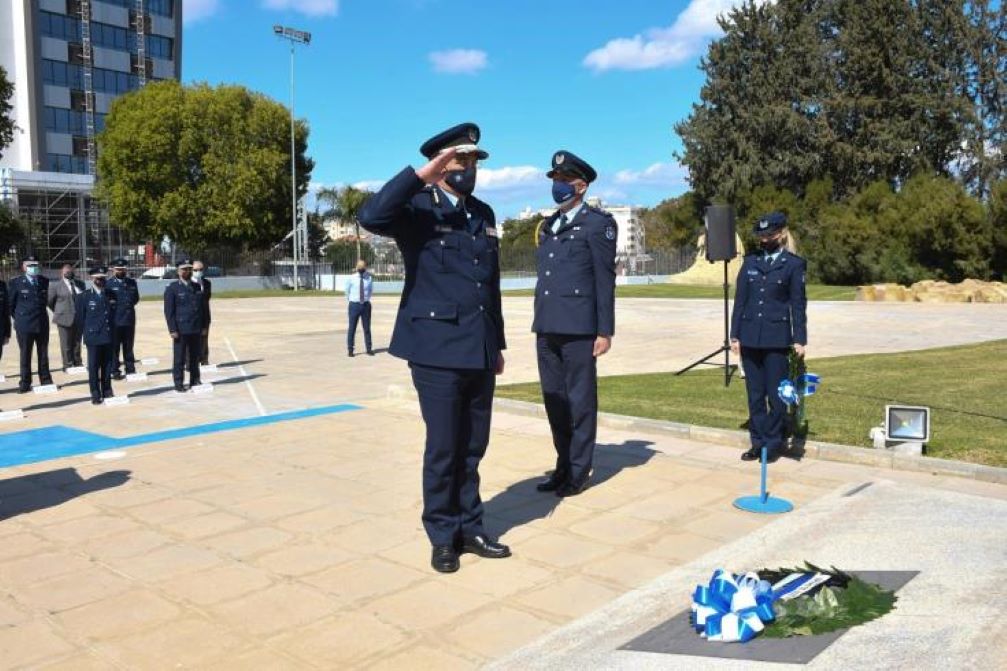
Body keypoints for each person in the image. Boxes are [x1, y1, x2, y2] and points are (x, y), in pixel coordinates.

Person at [358, 122, 509, 573]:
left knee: (473, 446)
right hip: (436, 348)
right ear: (440, 162)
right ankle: (443, 535)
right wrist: (421, 176)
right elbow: (371, 215)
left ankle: (472, 527)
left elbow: (490, 285)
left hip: (478, 347)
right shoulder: (416, 209)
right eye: (459, 159)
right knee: (444, 447)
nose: (468, 168)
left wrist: (496, 343)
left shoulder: (483, 213)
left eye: (473, 161)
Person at [532, 151, 617, 497]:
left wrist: (604, 330)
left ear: (580, 185)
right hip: (547, 325)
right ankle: (563, 465)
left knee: (580, 402)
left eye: (564, 180)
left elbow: (604, 279)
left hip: (580, 328)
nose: (558, 185)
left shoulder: (598, 224)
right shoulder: (549, 224)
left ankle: (579, 471)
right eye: (554, 180)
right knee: (555, 400)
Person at [730, 211, 807, 461]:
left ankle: (773, 443)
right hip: (750, 337)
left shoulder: (793, 264)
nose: (764, 240)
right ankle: (758, 441)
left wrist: (800, 340)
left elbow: (798, 305)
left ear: (781, 234)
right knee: (755, 395)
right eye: (761, 236)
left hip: (777, 338)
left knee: (776, 396)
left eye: (769, 235)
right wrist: (735, 335)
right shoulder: (750, 262)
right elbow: (740, 301)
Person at [8, 256, 53, 392]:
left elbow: (44, 301)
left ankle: (45, 379)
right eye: (30, 265)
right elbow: (11, 305)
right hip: (25, 324)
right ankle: (25, 382)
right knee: (25, 354)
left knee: (43, 353)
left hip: (42, 323)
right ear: (24, 267)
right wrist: (20, 319)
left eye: (35, 264)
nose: (33, 267)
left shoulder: (44, 281)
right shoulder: (16, 283)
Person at [163, 259, 207, 392]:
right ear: (178, 271)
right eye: (184, 269)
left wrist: (203, 326)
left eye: (189, 269)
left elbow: (201, 309)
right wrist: (172, 329)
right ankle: (178, 382)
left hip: (195, 327)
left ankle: (195, 379)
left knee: (195, 357)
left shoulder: (196, 286)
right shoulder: (172, 288)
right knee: (179, 358)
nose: (187, 271)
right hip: (180, 329)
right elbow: (169, 311)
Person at [76, 266, 116, 405]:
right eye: (98, 278)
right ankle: (95, 393)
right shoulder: (84, 296)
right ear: (92, 279)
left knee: (107, 365)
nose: (101, 280)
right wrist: (81, 338)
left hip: (108, 335)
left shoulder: (111, 294)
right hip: (93, 337)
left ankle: (107, 390)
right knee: (93, 367)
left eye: (103, 278)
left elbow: (113, 316)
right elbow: (80, 319)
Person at [47, 263, 85, 372]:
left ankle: (77, 362)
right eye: (67, 272)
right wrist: (59, 311)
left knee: (77, 343)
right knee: (66, 343)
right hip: (63, 318)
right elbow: (50, 302)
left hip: (78, 318)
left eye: (71, 272)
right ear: (62, 273)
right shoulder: (55, 286)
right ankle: (68, 364)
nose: (69, 273)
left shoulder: (80, 284)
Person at [106, 258, 139, 380]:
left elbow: (135, 299)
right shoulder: (108, 284)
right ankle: (114, 370)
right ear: (113, 270)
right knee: (114, 347)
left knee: (128, 346)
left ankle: (130, 369)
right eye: (118, 269)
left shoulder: (131, 282)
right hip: (115, 320)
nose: (121, 271)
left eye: (123, 269)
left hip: (129, 319)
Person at [345, 259, 374, 357]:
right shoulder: (351, 278)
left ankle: (369, 349)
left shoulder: (368, 278)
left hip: (366, 305)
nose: (361, 269)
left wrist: (365, 299)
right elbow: (347, 291)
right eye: (360, 267)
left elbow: (370, 291)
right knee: (352, 328)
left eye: (363, 267)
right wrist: (352, 300)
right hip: (354, 305)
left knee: (367, 328)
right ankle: (350, 349)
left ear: (365, 267)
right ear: (357, 267)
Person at [192, 260, 212, 365]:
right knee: (192, 339)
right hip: (193, 316)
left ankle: (204, 359)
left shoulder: (207, 283)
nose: (198, 272)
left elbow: (207, 298)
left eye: (200, 270)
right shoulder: (189, 283)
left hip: (205, 315)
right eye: (195, 270)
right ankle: (192, 360)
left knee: (204, 338)